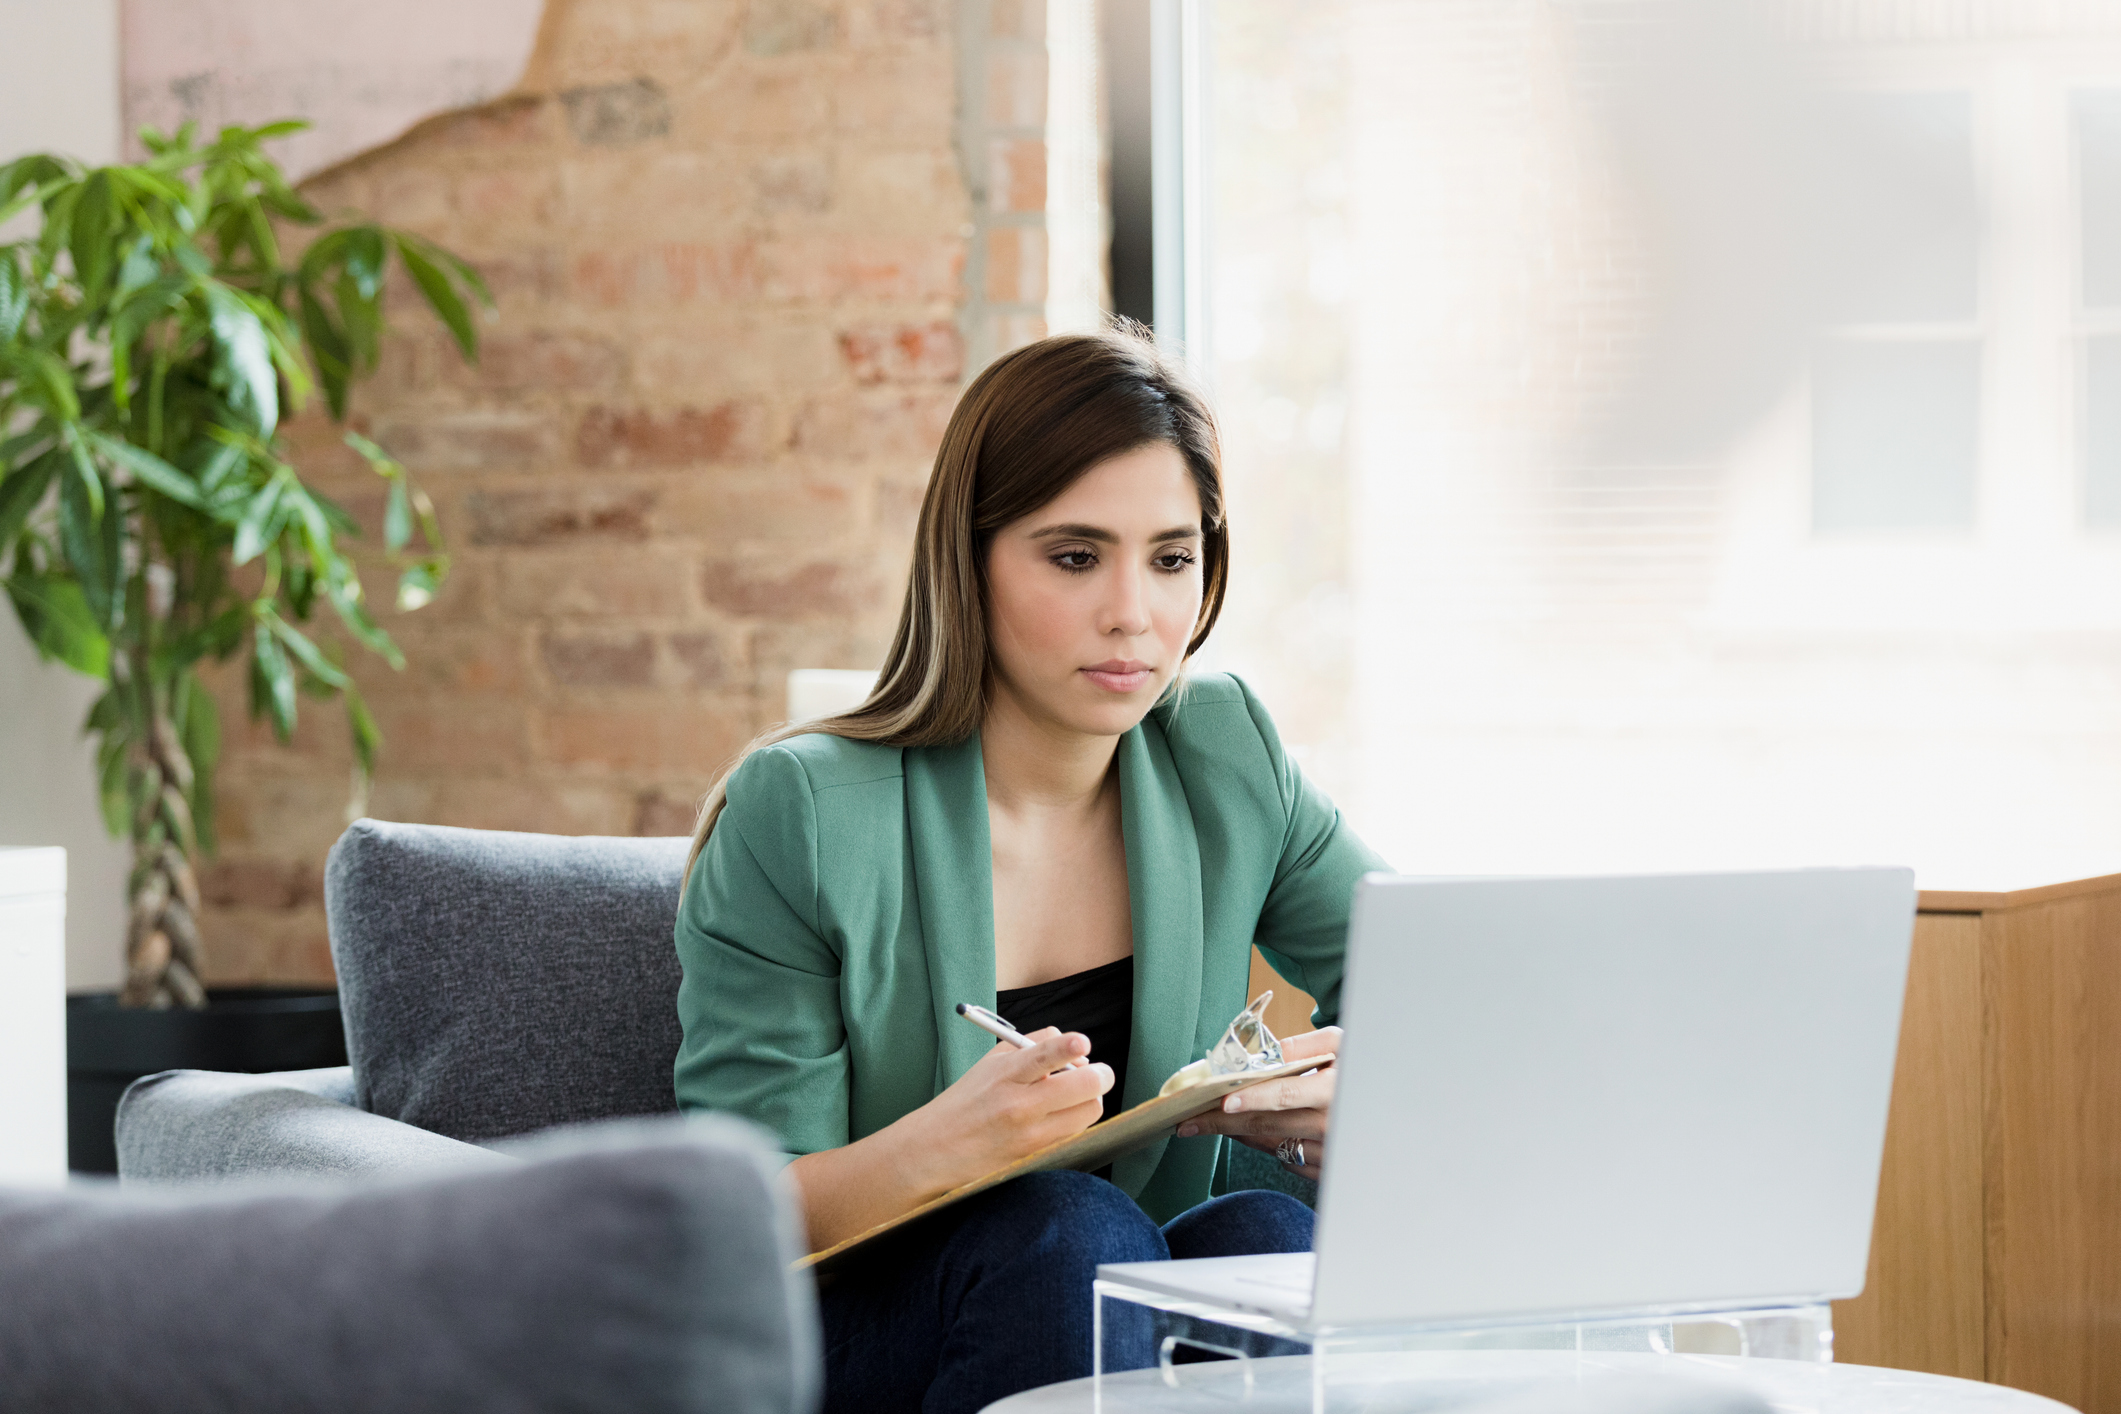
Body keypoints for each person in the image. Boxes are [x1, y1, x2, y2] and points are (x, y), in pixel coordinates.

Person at [673, 323, 1388, 1414]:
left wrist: (1357, 1110)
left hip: (1110, 1288)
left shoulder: (1226, 751)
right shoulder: (805, 810)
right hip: (860, 1321)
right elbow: (732, 1217)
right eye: (1074, 555)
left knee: (1267, 1237)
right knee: (1067, 1230)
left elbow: (1437, 984)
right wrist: (941, 1148)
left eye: (1171, 557)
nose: (1133, 614)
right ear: (970, 560)